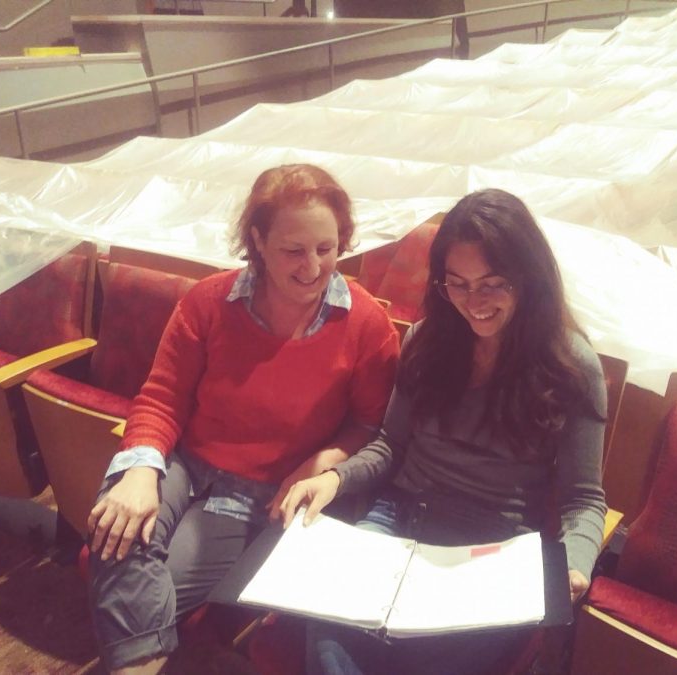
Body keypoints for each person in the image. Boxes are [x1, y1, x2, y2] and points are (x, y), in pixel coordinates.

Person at [86, 164, 400, 675]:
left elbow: (370, 426)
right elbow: (161, 400)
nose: (313, 267)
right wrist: (140, 472)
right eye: (293, 250)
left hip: (258, 498)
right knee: (115, 521)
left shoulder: (366, 324)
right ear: (257, 239)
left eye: (327, 248)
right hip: (184, 467)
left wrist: (326, 458)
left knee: (126, 576)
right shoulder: (209, 302)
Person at [280, 188, 608, 675]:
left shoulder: (571, 365)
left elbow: (585, 499)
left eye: (492, 284)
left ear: (528, 278)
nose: (472, 303)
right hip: (398, 521)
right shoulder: (427, 341)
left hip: (492, 546)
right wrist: (336, 480)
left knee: (424, 656)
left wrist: (575, 564)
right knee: (329, 626)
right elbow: (392, 445)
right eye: (456, 284)